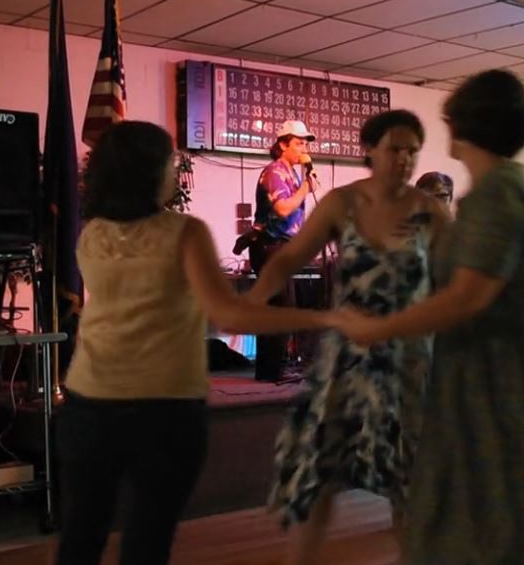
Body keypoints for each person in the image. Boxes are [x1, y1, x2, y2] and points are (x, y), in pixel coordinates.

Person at [343, 70, 524, 564]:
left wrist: (377, 328)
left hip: (506, 381)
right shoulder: (508, 189)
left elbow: (468, 297)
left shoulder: (494, 197)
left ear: (461, 126)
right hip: (512, 375)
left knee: (497, 523)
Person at [57, 121, 348, 565]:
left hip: (88, 401)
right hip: (164, 405)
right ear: (151, 170)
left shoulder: (90, 232)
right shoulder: (184, 232)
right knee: (147, 537)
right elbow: (228, 314)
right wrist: (325, 316)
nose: (177, 169)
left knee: (81, 535)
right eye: (171, 160)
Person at [248, 111, 449, 565]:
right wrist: (254, 298)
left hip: (410, 359)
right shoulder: (342, 202)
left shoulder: (430, 211)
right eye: (394, 147)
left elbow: (461, 279)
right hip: (349, 358)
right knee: (317, 476)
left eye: (412, 150)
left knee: (409, 479)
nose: (404, 158)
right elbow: (289, 255)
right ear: (371, 150)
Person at [250, 120, 318, 381]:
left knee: (279, 305)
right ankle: (272, 370)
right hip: (270, 246)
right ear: (282, 144)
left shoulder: (292, 171)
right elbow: (283, 209)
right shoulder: (276, 171)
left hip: (281, 247)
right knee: (280, 306)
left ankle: (271, 369)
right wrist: (305, 188)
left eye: (305, 144)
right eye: (299, 143)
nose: (303, 149)